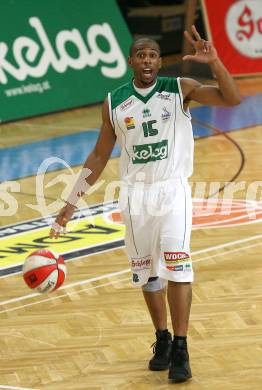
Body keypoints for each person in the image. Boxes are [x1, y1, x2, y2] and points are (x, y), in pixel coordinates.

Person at [50, 25, 241, 383]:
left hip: (172, 191)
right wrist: (71, 202)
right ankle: (163, 339)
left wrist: (215, 62)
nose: (148, 60)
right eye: (142, 55)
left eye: (153, 54)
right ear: (131, 61)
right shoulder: (114, 101)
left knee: (177, 265)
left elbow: (232, 99)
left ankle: (182, 348)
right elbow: (98, 155)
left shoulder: (180, 89)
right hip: (136, 195)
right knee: (147, 274)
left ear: (159, 60)